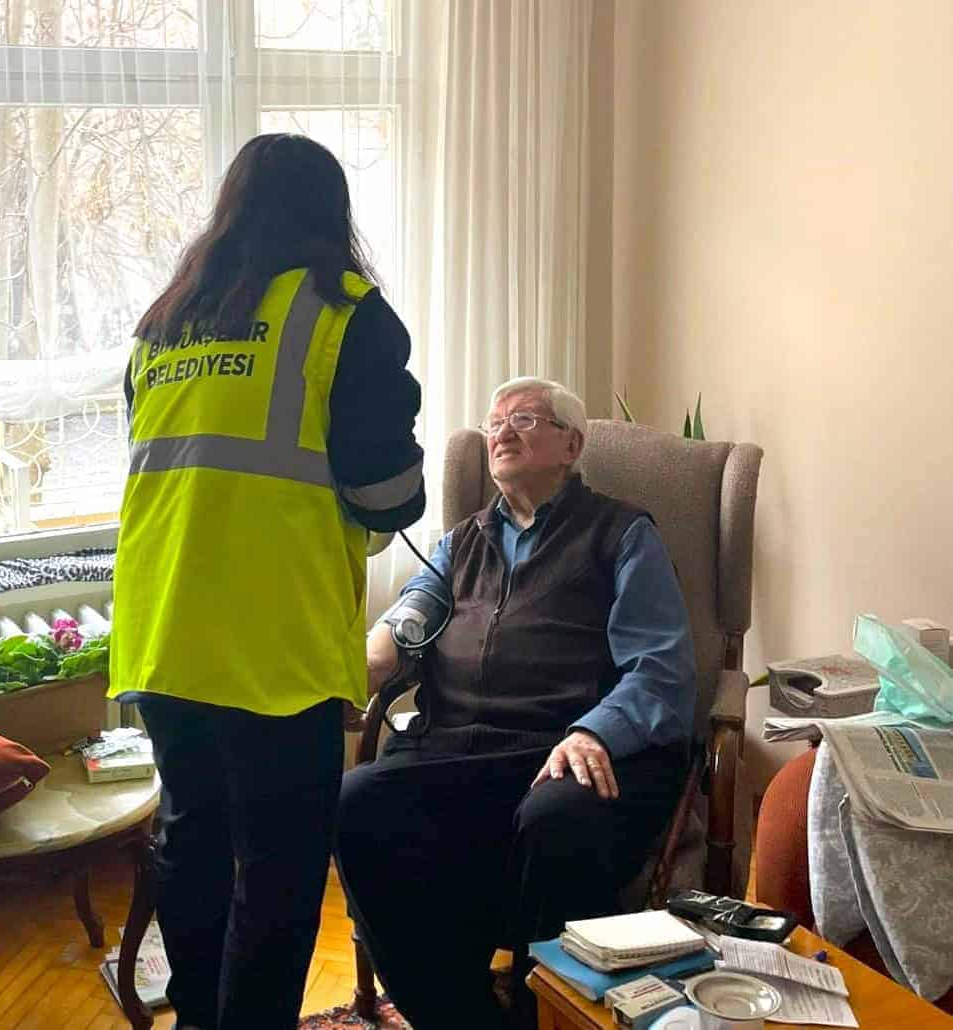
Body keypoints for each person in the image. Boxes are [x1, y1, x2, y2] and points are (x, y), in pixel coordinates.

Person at [109, 133, 426, 1030]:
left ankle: (198, 1017)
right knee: (278, 866)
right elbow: (385, 494)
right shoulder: (343, 313)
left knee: (192, 840)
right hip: (271, 640)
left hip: (164, 628)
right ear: (331, 213)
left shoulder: (163, 324)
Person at [335, 377, 697, 1029]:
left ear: (571, 446)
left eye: (524, 419)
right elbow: (410, 614)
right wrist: (360, 668)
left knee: (555, 819)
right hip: (456, 745)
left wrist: (593, 733)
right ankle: (460, 1014)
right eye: (494, 421)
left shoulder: (621, 534)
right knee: (355, 802)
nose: (501, 430)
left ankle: (546, 1013)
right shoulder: (460, 543)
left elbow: (660, 669)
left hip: (563, 746)